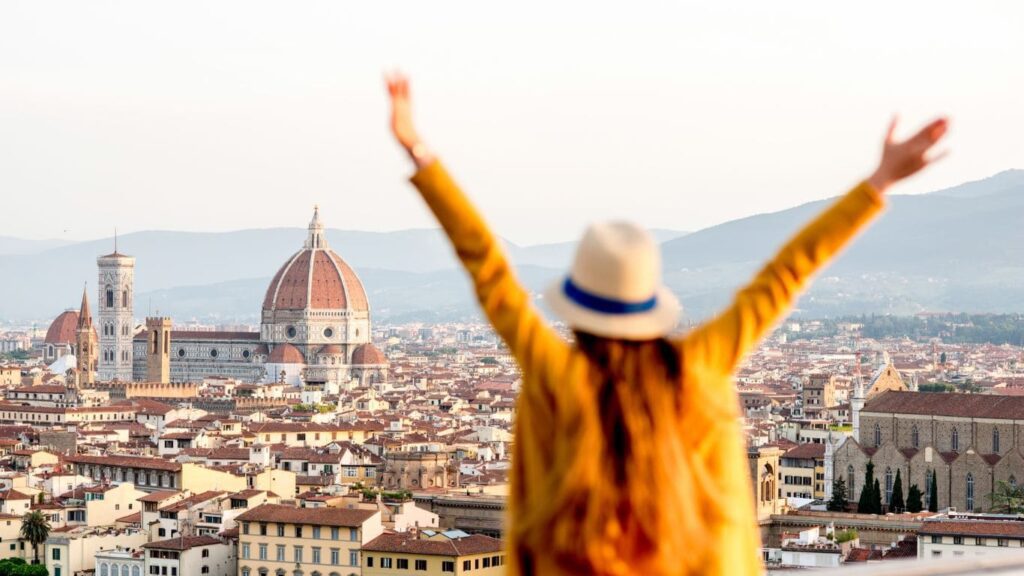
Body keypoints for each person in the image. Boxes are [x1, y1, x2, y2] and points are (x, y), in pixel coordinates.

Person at [386, 73, 947, 576]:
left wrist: (419, 151)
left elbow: (488, 270)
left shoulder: (558, 373)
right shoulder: (697, 366)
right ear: (649, 304)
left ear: (577, 313)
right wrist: (877, 183)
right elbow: (784, 277)